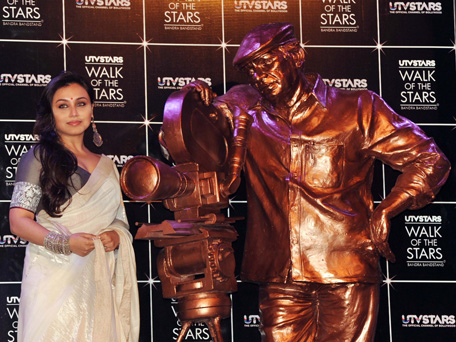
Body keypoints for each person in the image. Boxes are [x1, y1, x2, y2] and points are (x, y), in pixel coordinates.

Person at [184, 23, 451, 341]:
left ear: (295, 56)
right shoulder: (244, 108)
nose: (259, 77)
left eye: (266, 64)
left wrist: (386, 209)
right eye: (251, 71)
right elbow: (194, 139)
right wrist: (193, 104)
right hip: (279, 274)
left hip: (346, 268)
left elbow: (430, 159)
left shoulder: (357, 108)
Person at [9, 71, 140, 342]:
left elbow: (119, 220)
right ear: (51, 114)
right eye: (62, 105)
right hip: (52, 278)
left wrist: (116, 236)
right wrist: (66, 244)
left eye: (81, 103)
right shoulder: (37, 158)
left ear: (92, 109)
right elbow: (18, 221)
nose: (73, 112)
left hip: (98, 279)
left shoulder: (108, 166)